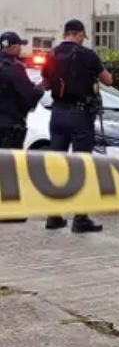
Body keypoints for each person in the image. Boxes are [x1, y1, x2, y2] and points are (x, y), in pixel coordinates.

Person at [42, 19, 113, 233]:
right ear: (80, 34)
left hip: (57, 114)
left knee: (57, 164)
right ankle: (80, 218)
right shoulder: (88, 55)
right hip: (80, 115)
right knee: (81, 165)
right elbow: (108, 80)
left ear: (65, 34)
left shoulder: (51, 54)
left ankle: (53, 215)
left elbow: (46, 84)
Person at [0, 31, 45, 223]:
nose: (21, 48)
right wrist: (41, 87)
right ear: (12, 47)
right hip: (10, 125)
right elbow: (29, 97)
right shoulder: (14, 68)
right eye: (19, 45)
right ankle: (9, 211)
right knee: (10, 168)